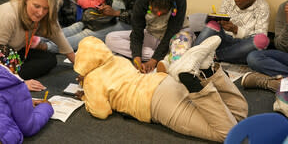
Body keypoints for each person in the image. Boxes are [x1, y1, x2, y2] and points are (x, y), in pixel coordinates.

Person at [74, 36, 248, 143]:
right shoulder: (117, 60)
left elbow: (101, 111)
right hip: (164, 82)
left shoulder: (91, 80)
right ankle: (208, 70)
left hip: (156, 104)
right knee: (239, 114)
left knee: (227, 133)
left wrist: (86, 95)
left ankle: (193, 82)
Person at [105, 0, 194, 73]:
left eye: (162, 13)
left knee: (179, 52)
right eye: (155, 11)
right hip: (153, 34)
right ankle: (164, 57)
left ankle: (167, 59)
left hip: (175, 35)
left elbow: (172, 31)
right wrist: (137, 56)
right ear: (150, 3)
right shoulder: (142, 1)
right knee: (110, 38)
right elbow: (137, 32)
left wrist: (154, 60)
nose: (158, 14)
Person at [193, 0, 270, 64]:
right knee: (212, 25)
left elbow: (260, 36)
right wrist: (219, 23)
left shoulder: (262, 7)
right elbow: (219, 29)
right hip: (223, 41)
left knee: (262, 41)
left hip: (243, 47)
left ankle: (217, 56)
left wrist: (236, 29)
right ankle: (191, 56)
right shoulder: (228, 1)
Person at [241, 0, 288, 92]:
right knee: (254, 57)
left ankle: (274, 83)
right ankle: (279, 83)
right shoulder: (284, 8)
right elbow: (280, 46)